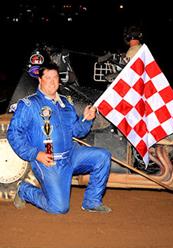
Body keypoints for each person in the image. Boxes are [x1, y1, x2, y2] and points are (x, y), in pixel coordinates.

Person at [7, 63, 112, 214]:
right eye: (47, 77)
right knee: (59, 208)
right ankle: (24, 190)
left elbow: (76, 131)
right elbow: (13, 133)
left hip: (71, 155)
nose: (52, 81)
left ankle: (92, 201)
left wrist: (87, 119)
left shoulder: (66, 103)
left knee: (102, 156)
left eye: (55, 77)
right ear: (40, 80)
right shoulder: (29, 104)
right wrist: (36, 154)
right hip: (49, 161)